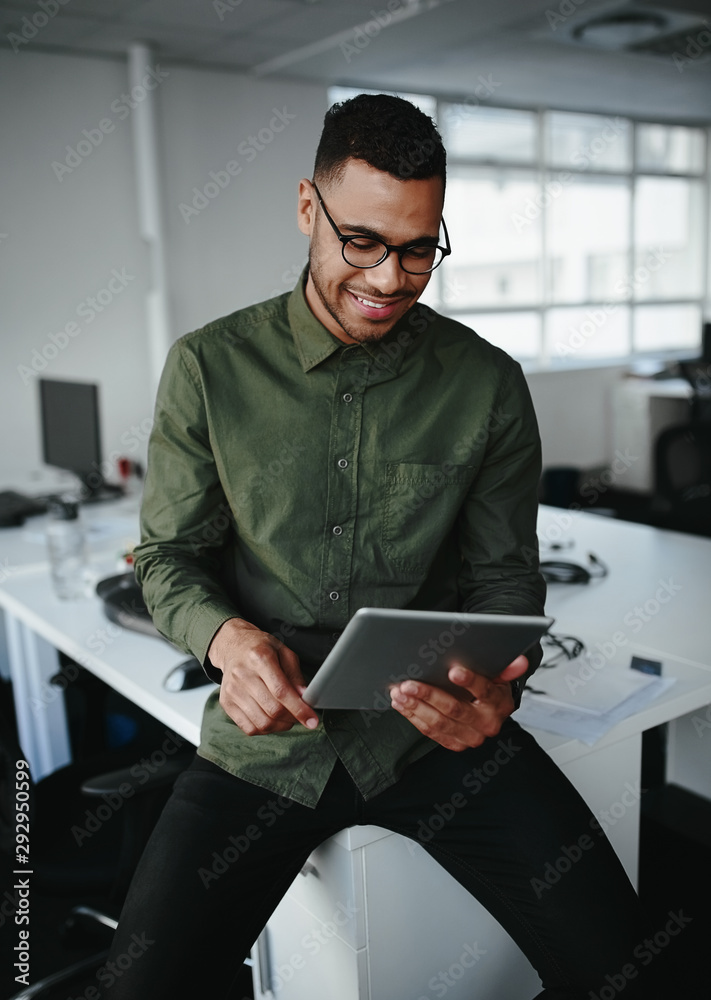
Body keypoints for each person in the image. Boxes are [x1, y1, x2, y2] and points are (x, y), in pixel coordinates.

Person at [102, 94, 676, 999]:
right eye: (362, 242)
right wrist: (224, 639)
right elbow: (168, 558)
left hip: (435, 741)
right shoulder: (209, 367)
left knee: (626, 967)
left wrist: (502, 684)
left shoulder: (486, 384)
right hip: (268, 751)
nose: (389, 278)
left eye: (418, 249)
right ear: (307, 208)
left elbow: (503, 581)